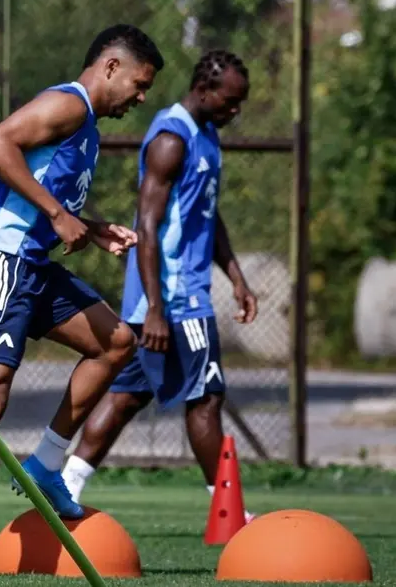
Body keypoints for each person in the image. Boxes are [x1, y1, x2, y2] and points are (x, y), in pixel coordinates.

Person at [0, 24, 164, 578]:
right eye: (140, 84)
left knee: (116, 343)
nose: (142, 98)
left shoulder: (87, 126)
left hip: (31, 264)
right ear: (111, 67)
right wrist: (57, 213)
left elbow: (44, 195)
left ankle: (47, 467)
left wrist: (90, 226)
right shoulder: (68, 104)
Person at [62, 50, 258, 517]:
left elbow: (206, 212)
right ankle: (229, 514)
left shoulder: (207, 135)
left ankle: (64, 485)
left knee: (127, 397)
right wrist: (155, 308)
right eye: (230, 101)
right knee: (206, 399)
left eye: (241, 102)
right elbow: (147, 226)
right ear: (204, 90)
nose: (235, 111)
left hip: (164, 300)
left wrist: (236, 276)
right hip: (174, 298)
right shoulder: (172, 139)